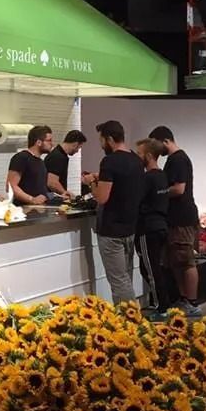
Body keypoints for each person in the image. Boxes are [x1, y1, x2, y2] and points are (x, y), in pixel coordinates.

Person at [82, 121, 144, 304]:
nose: (101, 145)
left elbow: (102, 197)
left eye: (101, 140)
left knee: (118, 281)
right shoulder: (136, 160)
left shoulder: (109, 161)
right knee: (126, 276)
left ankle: (130, 322)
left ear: (109, 139)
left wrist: (91, 183)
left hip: (111, 231)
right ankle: (127, 318)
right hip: (130, 227)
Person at [149, 126, 202, 317]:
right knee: (176, 261)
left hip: (182, 219)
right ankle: (184, 298)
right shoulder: (174, 159)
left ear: (165, 141)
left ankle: (193, 303)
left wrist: (159, 193)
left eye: (154, 144)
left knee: (186, 260)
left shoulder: (178, 159)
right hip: (175, 219)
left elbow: (179, 189)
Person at [134, 138, 170, 313]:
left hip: (147, 229)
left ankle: (161, 308)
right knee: (152, 268)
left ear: (148, 156)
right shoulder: (162, 176)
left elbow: (134, 201)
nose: (137, 157)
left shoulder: (146, 179)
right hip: (161, 227)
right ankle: (162, 303)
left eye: (139, 154)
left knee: (150, 270)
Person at [7, 125, 55, 205]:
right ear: (39, 142)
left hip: (40, 211)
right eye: (49, 140)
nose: (52, 144)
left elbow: (40, 190)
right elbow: (10, 186)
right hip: (25, 211)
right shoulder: (21, 158)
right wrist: (31, 199)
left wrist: (58, 196)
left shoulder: (41, 162)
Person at [45, 130, 87, 198]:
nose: (77, 151)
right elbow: (51, 183)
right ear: (75, 144)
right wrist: (65, 193)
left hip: (51, 197)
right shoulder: (57, 157)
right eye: (79, 148)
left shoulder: (60, 155)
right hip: (50, 198)